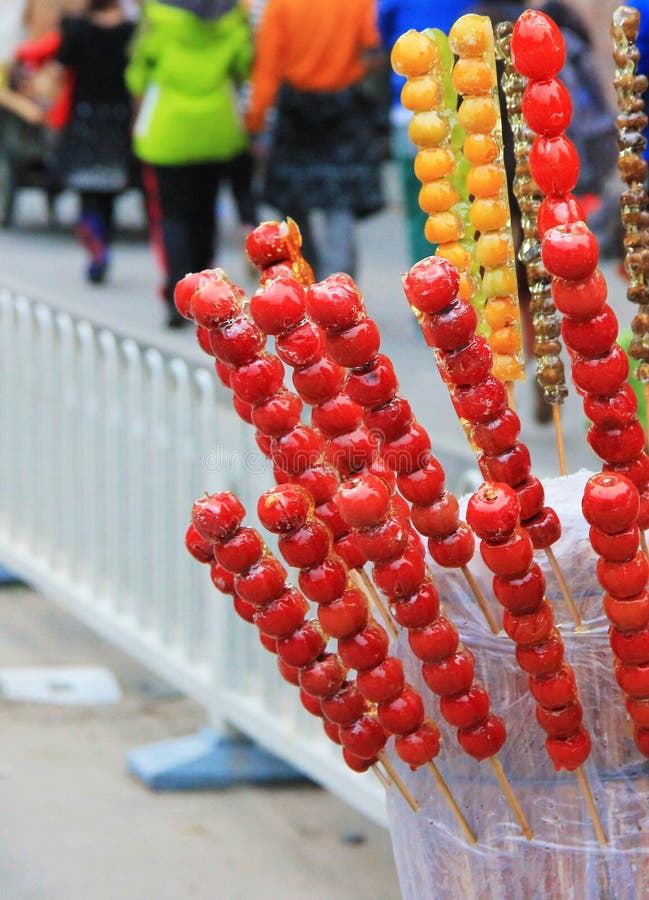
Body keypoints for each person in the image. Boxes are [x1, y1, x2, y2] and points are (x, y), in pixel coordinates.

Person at [126, 0, 254, 328]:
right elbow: (243, 65)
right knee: (206, 211)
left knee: (173, 216)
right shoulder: (232, 17)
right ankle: (204, 292)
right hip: (217, 129)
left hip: (167, 132)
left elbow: (137, 75)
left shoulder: (156, 17)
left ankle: (177, 295)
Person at [245, 0, 385, 281]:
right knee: (340, 200)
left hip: (296, 111)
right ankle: (340, 285)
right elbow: (372, 43)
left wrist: (256, 119)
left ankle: (306, 276)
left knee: (293, 203)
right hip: (344, 107)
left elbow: (268, 65)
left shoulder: (281, 6)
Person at [378, 0, 469, 266]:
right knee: (462, 197)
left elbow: (380, 33)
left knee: (422, 205)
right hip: (463, 104)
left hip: (411, 109)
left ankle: (429, 285)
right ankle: (462, 281)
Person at [56, 0, 135, 283]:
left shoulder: (78, 28)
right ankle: (104, 245)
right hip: (118, 114)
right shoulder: (130, 30)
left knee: (88, 187)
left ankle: (92, 229)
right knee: (109, 187)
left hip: (86, 113)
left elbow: (63, 60)